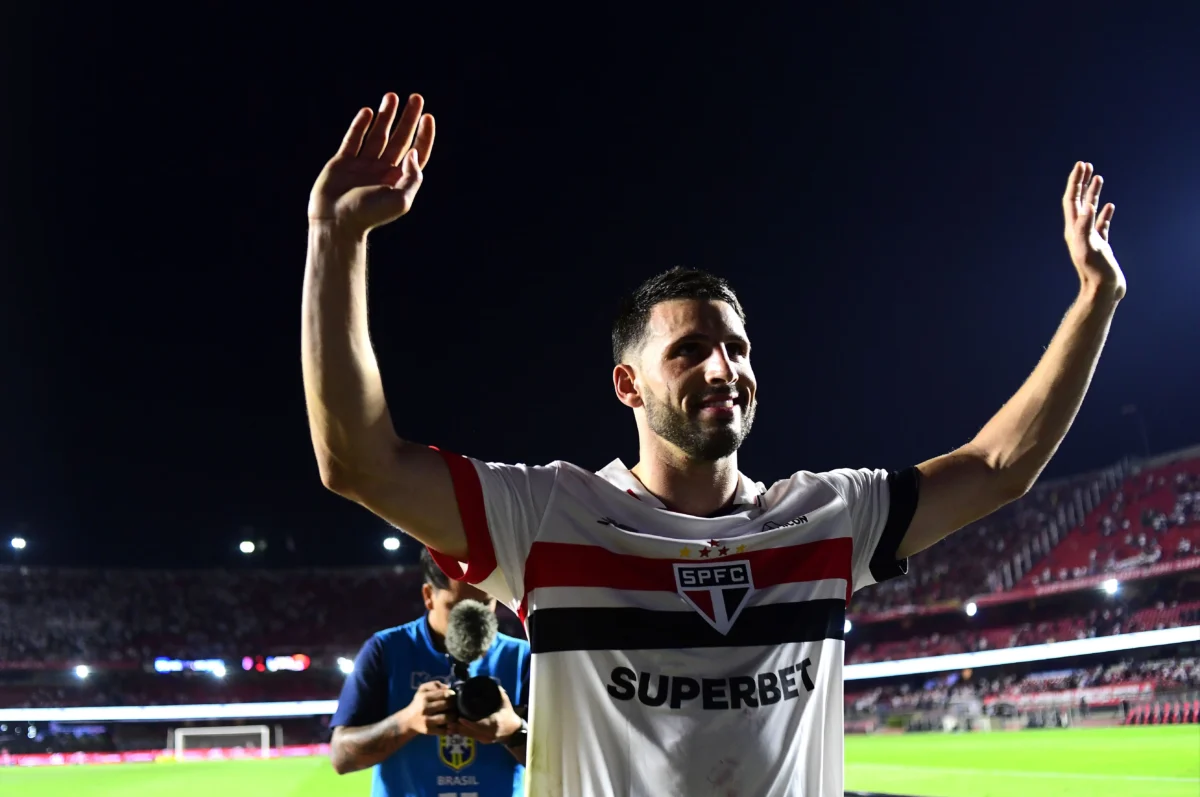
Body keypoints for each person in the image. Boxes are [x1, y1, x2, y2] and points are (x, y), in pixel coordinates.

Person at [302, 91, 1126, 796]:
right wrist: (336, 241)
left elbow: (996, 466)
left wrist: (1094, 300)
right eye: (689, 349)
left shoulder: (827, 515)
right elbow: (359, 462)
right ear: (628, 385)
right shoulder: (550, 515)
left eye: (736, 345)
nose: (723, 366)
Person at [329, 547, 530, 796]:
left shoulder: (522, 657)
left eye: (484, 605)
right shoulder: (386, 650)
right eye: (457, 608)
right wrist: (408, 721)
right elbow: (341, 757)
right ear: (428, 596)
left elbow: (565, 759)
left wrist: (514, 731)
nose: (470, 625)